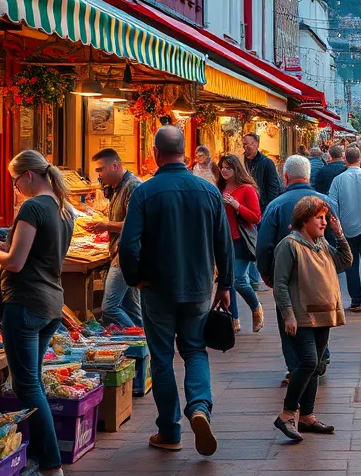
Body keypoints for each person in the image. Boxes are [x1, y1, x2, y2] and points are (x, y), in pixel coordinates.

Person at [119, 126, 233, 457]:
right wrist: (225, 284)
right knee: (195, 350)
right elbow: (223, 242)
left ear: (155, 152)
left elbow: (128, 245)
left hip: (157, 288)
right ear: (184, 152)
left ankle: (169, 430)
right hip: (198, 287)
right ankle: (199, 407)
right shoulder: (209, 191)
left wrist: (134, 277)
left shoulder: (144, 192)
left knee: (163, 358)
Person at [0, 150, 75, 476]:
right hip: (50, 303)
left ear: (28, 177)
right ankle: (43, 457)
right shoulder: (62, 208)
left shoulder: (33, 207)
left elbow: (16, 261)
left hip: (25, 304)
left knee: (28, 386)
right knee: (32, 381)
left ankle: (51, 467)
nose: (14, 187)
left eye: (14, 180)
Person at [272, 196, 353, 442]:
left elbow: (345, 262)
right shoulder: (289, 245)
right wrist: (288, 315)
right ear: (304, 219)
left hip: (323, 314)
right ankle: (287, 414)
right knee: (307, 362)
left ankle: (307, 416)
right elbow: (280, 284)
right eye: (319, 218)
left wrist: (340, 235)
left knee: (316, 366)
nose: (324, 223)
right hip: (301, 316)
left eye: (325, 218)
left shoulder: (321, 243)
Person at [257, 155, 339, 385]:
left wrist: (267, 273)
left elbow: (264, 244)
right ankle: (320, 358)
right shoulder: (324, 202)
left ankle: (296, 366)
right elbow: (333, 234)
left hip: (288, 273)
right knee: (319, 312)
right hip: (321, 272)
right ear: (309, 175)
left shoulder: (276, 205)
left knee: (289, 318)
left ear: (285, 177)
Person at [91, 148, 142, 330]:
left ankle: (140, 338)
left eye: (100, 170)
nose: (98, 175)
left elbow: (134, 224)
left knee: (110, 307)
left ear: (114, 166)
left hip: (126, 254)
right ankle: (144, 350)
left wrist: (106, 225)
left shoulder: (132, 186)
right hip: (121, 252)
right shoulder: (117, 187)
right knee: (131, 307)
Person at [328, 146, 361, 313]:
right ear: (360, 159)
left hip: (346, 228)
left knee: (350, 264)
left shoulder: (338, 180)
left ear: (345, 159)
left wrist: (336, 226)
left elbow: (332, 204)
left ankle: (356, 301)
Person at [217, 154, 264, 334]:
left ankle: (255, 306)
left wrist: (236, 205)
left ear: (236, 169)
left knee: (238, 280)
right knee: (227, 281)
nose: (225, 171)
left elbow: (255, 217)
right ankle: (233, 320)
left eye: (228, 167)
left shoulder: (246, 189)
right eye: (222, 167)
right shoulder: (219, 187)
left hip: (241, 240)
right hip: (223, 240)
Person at [244, 132, 281, 213]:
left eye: (247, 144)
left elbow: (273, 188)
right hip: (244, 207)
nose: (244, 147)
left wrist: (266, 208)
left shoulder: (266, 163)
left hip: (261, 207)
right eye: (243, 144)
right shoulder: (240, 161)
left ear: (256, 145)